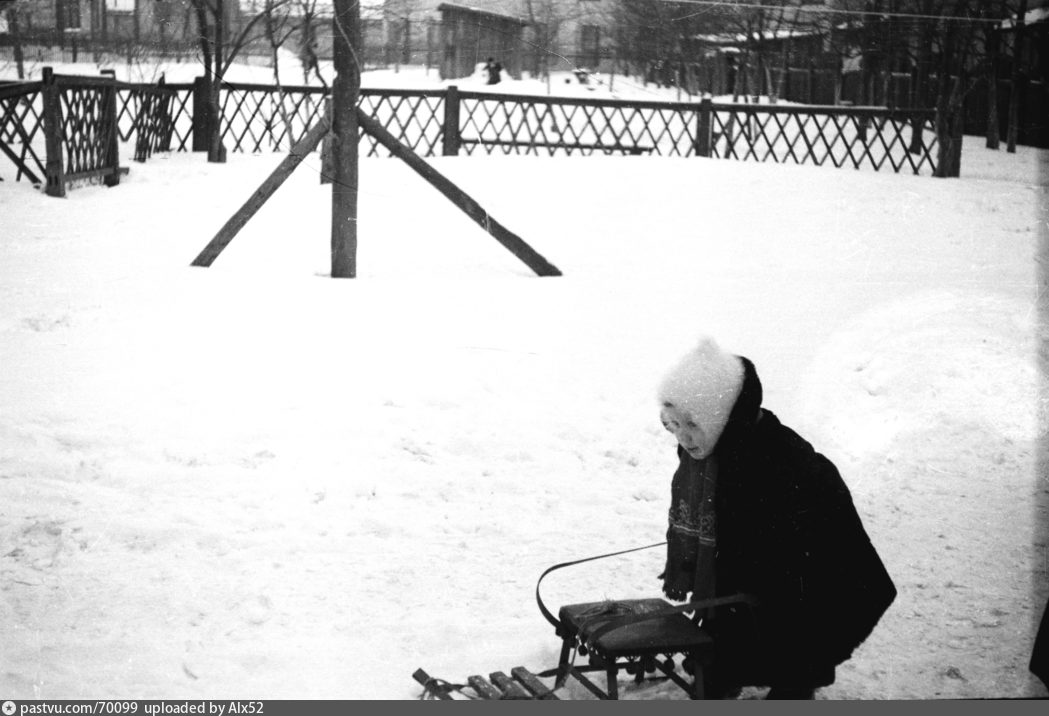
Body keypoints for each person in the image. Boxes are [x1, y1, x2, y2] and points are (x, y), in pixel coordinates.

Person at [656, 337, 897, 699]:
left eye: (692, 424)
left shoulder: (781, 464)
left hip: (814, 577)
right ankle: (729, 665)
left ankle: (794, 679)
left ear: (720, 417)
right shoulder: (716, 450)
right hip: (750, 574)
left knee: (783, 617)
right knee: (733, 597)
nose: (683, 438)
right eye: (673, 424)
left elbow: (805, 564)